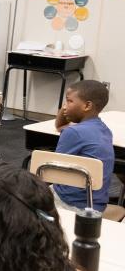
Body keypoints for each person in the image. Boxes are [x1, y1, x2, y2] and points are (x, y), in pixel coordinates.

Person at [53, 80, 114, 212]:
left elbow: (53, 173)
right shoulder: (105, 129)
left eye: (69, 101)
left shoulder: (73, 132)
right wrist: (68, 105)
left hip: (71, 204)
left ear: (87, 106)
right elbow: (60, 127)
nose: (65, 107)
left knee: (20, 198)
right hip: (96, 204)